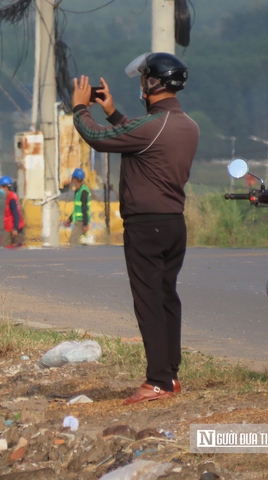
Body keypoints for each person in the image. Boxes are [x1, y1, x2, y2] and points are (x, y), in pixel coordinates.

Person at [72, 53, 199, 405]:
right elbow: (137, 137)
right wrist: (112, 111)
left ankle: (157, 380)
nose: (141, 86)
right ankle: (170, 375)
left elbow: (99, 138)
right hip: (174, 223)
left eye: (144, 79)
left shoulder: (151, 126)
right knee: (166, 298)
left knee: (148, 302)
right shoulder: (187, 125)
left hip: (146, 226)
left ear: (153, 84)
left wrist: (81, 108)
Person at [64, 168, 91, 246]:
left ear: (76, 179)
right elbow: (77, 209)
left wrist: (85, 224)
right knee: (80, 242)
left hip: (81, 221)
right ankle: (82, 255)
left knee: (73, 240)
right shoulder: (78, 191)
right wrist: (70, 219)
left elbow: (84, 208)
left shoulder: (83, 191)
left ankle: (77, 256)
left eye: (73, 178)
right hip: (78, 221)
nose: (72, 180)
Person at [0, 176, 24, 248]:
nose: (0, 189)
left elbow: (16, 213)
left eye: (0, 187)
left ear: (5, 187)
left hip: (11, 228)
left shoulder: (11, 198)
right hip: (11, 227)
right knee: (12, 248)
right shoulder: (11, 196)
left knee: (6, 246)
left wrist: (15, 228)